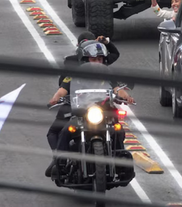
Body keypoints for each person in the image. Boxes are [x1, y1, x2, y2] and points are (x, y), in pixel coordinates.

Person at [48, 43, 135, 179]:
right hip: (83, 112)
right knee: (66, 131)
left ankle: (120, 161)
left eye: (99, 59)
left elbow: (117, 89)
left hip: (104, 112)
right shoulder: (75, 74)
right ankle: (61, 163)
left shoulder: (108, 74)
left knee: (119, 130)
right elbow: (62, 90)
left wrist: (127, 97)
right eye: (93, 59)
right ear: (86, 59)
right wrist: (55, 99)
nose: (97, 62)